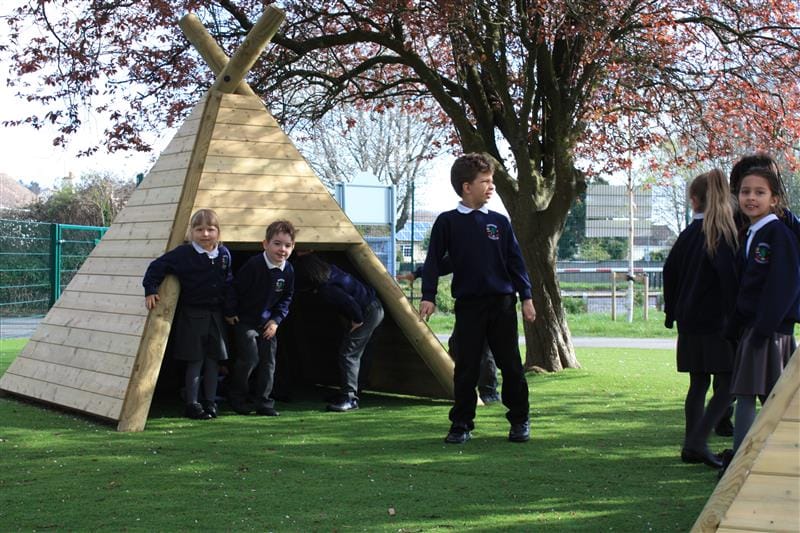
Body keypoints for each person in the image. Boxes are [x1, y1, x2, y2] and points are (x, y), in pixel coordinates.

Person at [419, 153, 536, 444]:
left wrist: (527, 297)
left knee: (510, 365)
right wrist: (428, 296)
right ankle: (461, 425)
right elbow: (434, 262)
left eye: (492, 181)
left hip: (502, 305)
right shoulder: (447, 222)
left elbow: (516, 263)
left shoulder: (500, 222)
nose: (491, 186)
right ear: (466, 186)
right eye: (485, 181)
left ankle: (519, 420)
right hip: (469, 307)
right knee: (466, 368)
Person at [663, 169, 738, 468]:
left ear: (693, 200)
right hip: (716, 322)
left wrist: (672, 311)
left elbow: (669, 272)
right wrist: (737, 315)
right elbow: (729, 279)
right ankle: (698, 440)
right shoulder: (722, 234)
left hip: (689, 321)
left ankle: (690, 444)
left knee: (698, 383)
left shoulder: (687, 235)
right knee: (731, 382)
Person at [727, 166, 799, 459]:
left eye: (759, 192)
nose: (751, 198)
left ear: (774, 199)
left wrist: (765, 328)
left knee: (752, 396)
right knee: (760, 396)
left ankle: (741, 459)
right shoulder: (751, 233)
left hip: (768, 331)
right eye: (745, 192)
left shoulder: (777, 234)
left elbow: (785, 283)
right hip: (754, 329)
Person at [142, 209, 232, 420]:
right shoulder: (183, 254)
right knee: (195, 360)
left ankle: (210, 402)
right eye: (199, 229)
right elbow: (156, 267)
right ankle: (192, 404)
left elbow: (228, 284)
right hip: (193, 314)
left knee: (213, 360)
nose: (205, 234)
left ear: (218, 232)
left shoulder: (224, 255)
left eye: (210, 229)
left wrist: (230, 311)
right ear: (191, 232)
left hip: (215, 315)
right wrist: (151, 289)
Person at [292, 251, 384, 412]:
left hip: (367, 312)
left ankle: (350, 398)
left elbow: (350, 303)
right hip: (373, 306)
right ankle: (352, 391)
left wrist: (357, 320)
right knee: (361, 352)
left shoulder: (327, 288)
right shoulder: (331, 271)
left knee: (348, 353)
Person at [397, 267, 501, 403]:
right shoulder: (463, 251)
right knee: (456, 344)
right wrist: (416, 274)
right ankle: (453, 381)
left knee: (484, 349)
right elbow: (442, 264)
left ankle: (489, 391)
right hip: (468, 303)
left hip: (489, 302)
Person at [224, 220, 296, 416]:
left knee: (268, 362)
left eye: (287, 245)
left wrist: (276, 321)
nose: (282, 249)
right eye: (277, 243)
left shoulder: (288, 270)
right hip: (245, 320)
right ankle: (237, 397)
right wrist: (230, 312)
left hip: (267, 323)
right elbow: (235, 289)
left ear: (293, 247)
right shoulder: (254, 266)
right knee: (250, 358)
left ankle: (264, 402)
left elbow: (286, 298)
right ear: (265, 244)